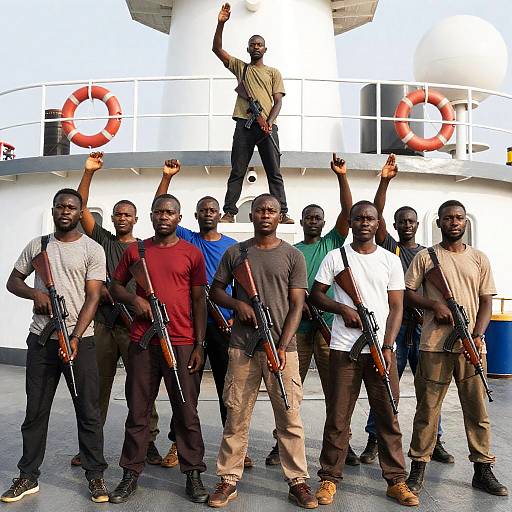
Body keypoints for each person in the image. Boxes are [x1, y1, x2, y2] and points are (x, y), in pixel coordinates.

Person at [208, 194, 317, 508]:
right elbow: (215, 291)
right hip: (242, 347)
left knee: (289, 417)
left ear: (280, 215)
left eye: (271, 210)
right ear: (251, 215)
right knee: (236, 414)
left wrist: (282, 345)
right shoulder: (235, 252)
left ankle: (297, 481)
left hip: (283, 349)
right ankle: (228, 479)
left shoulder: (293, 255)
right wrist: (238, 304)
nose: (265, 215)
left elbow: (298, 305)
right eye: (260, 211)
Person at [1, 189, 109, 504]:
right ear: (53, 211)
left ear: (80, 212)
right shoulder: (38, 246)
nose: (65, 211)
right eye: (60, 206)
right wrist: (36, 295)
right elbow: (13, 281)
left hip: (81, 341)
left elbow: (94, 296)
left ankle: (95, 476)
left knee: (88, 411)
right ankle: (27, 476)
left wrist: (74, 336)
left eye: (71, 207)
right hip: (40, 340)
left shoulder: (92, 249)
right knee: (35, 411)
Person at [311, 200, 419, 507]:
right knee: (338, 416)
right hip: (344, 348)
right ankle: (329, 478)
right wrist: (342, 307)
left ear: (377, 222)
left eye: (370, 218)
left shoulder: (389, 259)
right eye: (358, 218)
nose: (363, 223)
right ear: (352, 222)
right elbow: (316, 295)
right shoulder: (336, 257)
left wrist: (387, 345)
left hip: (380, 349)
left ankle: (396, 480)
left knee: (388, 414)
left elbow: (397, 306)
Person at [108, 194, 209, 504]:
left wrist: (199, 345)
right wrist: (134, 300)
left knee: (186, 409)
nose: (164, 216)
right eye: (159, 212)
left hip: (180, 341)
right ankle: (130, 474)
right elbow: (113, 285)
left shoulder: (191, 253)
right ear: (150, 217)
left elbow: (199, 300)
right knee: (138, 410)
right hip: (143, 341)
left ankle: (193, 472)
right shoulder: (136, 251)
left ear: (179, 218)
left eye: (170, 212)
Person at [153, 159, 253, 469]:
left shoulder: (233, 247)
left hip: (225, 329)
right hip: (191, 328)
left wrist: (235, 317)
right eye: (203, 210)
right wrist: (167, 177)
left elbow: (243, 285)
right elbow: (159, 208)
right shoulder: (187, 238)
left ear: (219, 215)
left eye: (213, 210)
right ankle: (176, 445)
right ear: (194, 216)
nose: (208, 213)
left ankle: (235, 449)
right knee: (187, 390)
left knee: (229, 390)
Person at [405, 200, 508, 497]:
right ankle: (419, 466)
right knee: (427, 410)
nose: (454, 222)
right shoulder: (427, 258)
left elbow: (487, 301)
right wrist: (433, 304)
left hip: (471, 346)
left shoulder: (479, 259)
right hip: (434, 345)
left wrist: (477, 335)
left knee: (477, 410)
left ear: (465, 223)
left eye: (459, 218)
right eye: (448, 218)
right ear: (438, 223)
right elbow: (408, 293)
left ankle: (482, 468)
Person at [266, 153, 360, 467]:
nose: (314, 221)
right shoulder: (292, 252)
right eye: (309, 217)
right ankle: (279, 444)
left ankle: (342, 445)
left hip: (329, 329)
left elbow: (348, 211)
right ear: (301, 221)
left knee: (337, 391)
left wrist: (341, 175)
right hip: (297, 332)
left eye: (318, 217)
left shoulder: (333, 243)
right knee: (289, 391)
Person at [359, 154, 453, 466]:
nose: (407, 225)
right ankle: (374, 439)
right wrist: (385, 180)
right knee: (384, 385)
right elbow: (377, 212)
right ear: (396, 225)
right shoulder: (389, 246)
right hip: (396, 329)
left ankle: (434, 441)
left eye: (411, 221)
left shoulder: (429, 254)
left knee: (428, 390)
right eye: (402, 221)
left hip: (423, 329)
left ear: (417, 224)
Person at [75, 152, 162, 467]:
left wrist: (166, 178)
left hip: (135, 327)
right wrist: (89, 172)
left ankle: (148, 444)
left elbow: (160, 208)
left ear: (136, 219)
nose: (122, 218)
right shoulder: (104, 241)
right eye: (117, 214)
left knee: (141, 388)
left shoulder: (144, 248)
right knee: (97, 387)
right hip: (104, 325)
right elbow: (82, 207)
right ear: (112, 219)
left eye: (128, 214)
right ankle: (90, 446)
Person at [212, 3, 294, 224]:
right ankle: (229, 212)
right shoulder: (241, 67)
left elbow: (278, 101)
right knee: (237, 170)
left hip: (267, 126)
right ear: (248, 49)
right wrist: (221, 24)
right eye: (252, 45)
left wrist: (269, 121)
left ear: (265, 49)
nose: (256, 47)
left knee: (274, 172)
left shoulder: (273, 72)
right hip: (244, 125)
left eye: (260, 45)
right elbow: (217, 50)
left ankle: (283, 212)